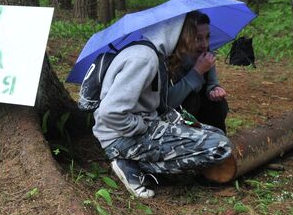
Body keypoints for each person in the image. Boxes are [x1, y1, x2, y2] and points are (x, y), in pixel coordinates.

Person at [92, 15, 233, 198]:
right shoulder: (144, 58)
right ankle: (132, 165)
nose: (203, 44)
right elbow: (109, 113)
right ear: (181, 35)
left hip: (143, 127)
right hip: (122, 138)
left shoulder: (154, 54)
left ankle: (138, 162)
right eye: (195, 38)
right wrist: (142, 126)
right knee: (220, 146)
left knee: (218, 136)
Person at [166, 11, 229, 133]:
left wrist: (215, 90)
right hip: (172, 119)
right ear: (183, 38)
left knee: (218, 105)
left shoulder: (205, 54)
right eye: (197, 39)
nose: (204, 44)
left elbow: (211, 83)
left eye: (207, 37)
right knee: (191, 98)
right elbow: (166, 103)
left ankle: (218, 142)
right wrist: (196, 72)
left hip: (200, 113)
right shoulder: (168, 60)